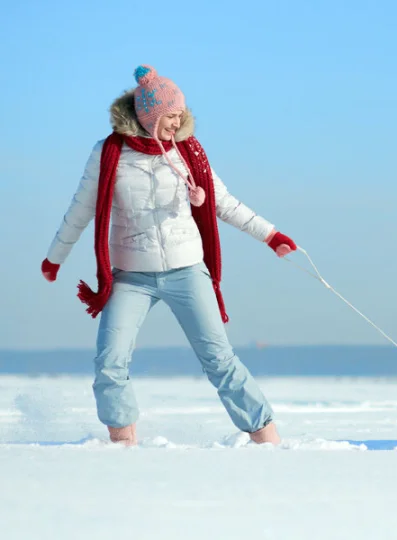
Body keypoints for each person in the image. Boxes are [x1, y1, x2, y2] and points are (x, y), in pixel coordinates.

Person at [40, 65, 297, 446]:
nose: (176, 123)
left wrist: (271, 235)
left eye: (180, 114)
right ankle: (122, 446)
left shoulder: (189, 152)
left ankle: (267, 438)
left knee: (219, 360)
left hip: (186, 270)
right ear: (147, 115)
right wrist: (55, 257)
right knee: (110, 361)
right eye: (169, 116)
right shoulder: (109, 153)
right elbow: (81, 209)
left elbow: (223, 203)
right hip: (131, 274)